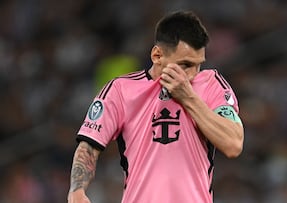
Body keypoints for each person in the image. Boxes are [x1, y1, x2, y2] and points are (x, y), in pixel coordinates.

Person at [67, 10, 244, 203]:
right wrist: (77, 190)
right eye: (185, 64)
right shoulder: (121, 90)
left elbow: (233, 144)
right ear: (157, 55)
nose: (192, 74)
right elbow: (89, 147)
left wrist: (188, 98)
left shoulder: (211, 84)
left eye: (198, 64)